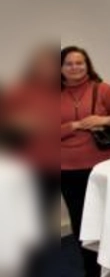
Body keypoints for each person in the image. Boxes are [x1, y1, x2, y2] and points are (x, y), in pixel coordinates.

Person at [60, 46, 110, 277]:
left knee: (107, 217)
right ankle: (91, 270)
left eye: (80, 63)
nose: (75, 67)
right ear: (60, 68)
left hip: (101, 165)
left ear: (88, 65)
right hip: (67, 168)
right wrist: (74, 126)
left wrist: (103, 120)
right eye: (69, 63)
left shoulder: (103, 89)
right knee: (79, 220)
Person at [0, 44, 60, 217]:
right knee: (27, 215)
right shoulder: (19, 91)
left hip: (59, 163)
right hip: (30, 164)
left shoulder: (62, 90)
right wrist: (18, 123)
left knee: (46, 213)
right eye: (43, 65)